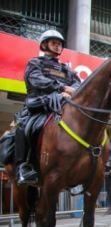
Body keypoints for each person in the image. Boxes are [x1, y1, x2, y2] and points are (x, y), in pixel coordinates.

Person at [15, 30, 81, 185]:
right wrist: (62, 89)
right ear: (44, 45)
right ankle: (23, 167)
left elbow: (78, 84)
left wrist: (71, 92)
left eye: (59, 44)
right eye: (54, 43)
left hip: (62, 106)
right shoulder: (35, 63)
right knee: (23, 127)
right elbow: (36, 80)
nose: (58, 46)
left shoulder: (67, 70)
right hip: (40, 104)